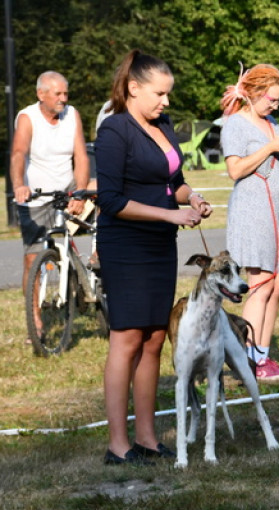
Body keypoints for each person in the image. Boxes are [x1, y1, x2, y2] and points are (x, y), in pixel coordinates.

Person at [94, 50, 212, 465]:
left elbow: (174, 182)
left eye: (168, 94)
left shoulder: (162, 125)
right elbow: (109, 199)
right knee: (126, 339)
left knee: (155, 338)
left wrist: (193, 198)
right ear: (134, 88)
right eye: (159, 94)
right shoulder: (114, 130)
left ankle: (146, 436)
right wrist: (169, 213)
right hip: (126, 245)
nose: (166, 102)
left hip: (160, 243)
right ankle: (117, 444)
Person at [219, 64, 279, 381]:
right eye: (272, 99)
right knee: (260, 285)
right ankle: (248, 362)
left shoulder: (272, 122)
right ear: (254, 93)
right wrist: (270, 147)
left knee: (277, 284)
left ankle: (262, 358)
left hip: (277, 212)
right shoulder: (236, 125)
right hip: (252, 212)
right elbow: (235, 170)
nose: (275, 105)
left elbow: (273, 168)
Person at [10, 71, 90, 337]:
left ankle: (94, 274)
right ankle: (35, 317)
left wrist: (79, 191)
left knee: (107, 196)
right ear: (40, 94)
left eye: (66, 94)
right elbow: (18, 153)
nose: (63, 99)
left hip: (67, 188)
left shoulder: (72, 115)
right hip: (36, 193)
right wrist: (19, 185)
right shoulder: (27, 118)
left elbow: (80, 154)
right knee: (33, 257)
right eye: (58, 94)